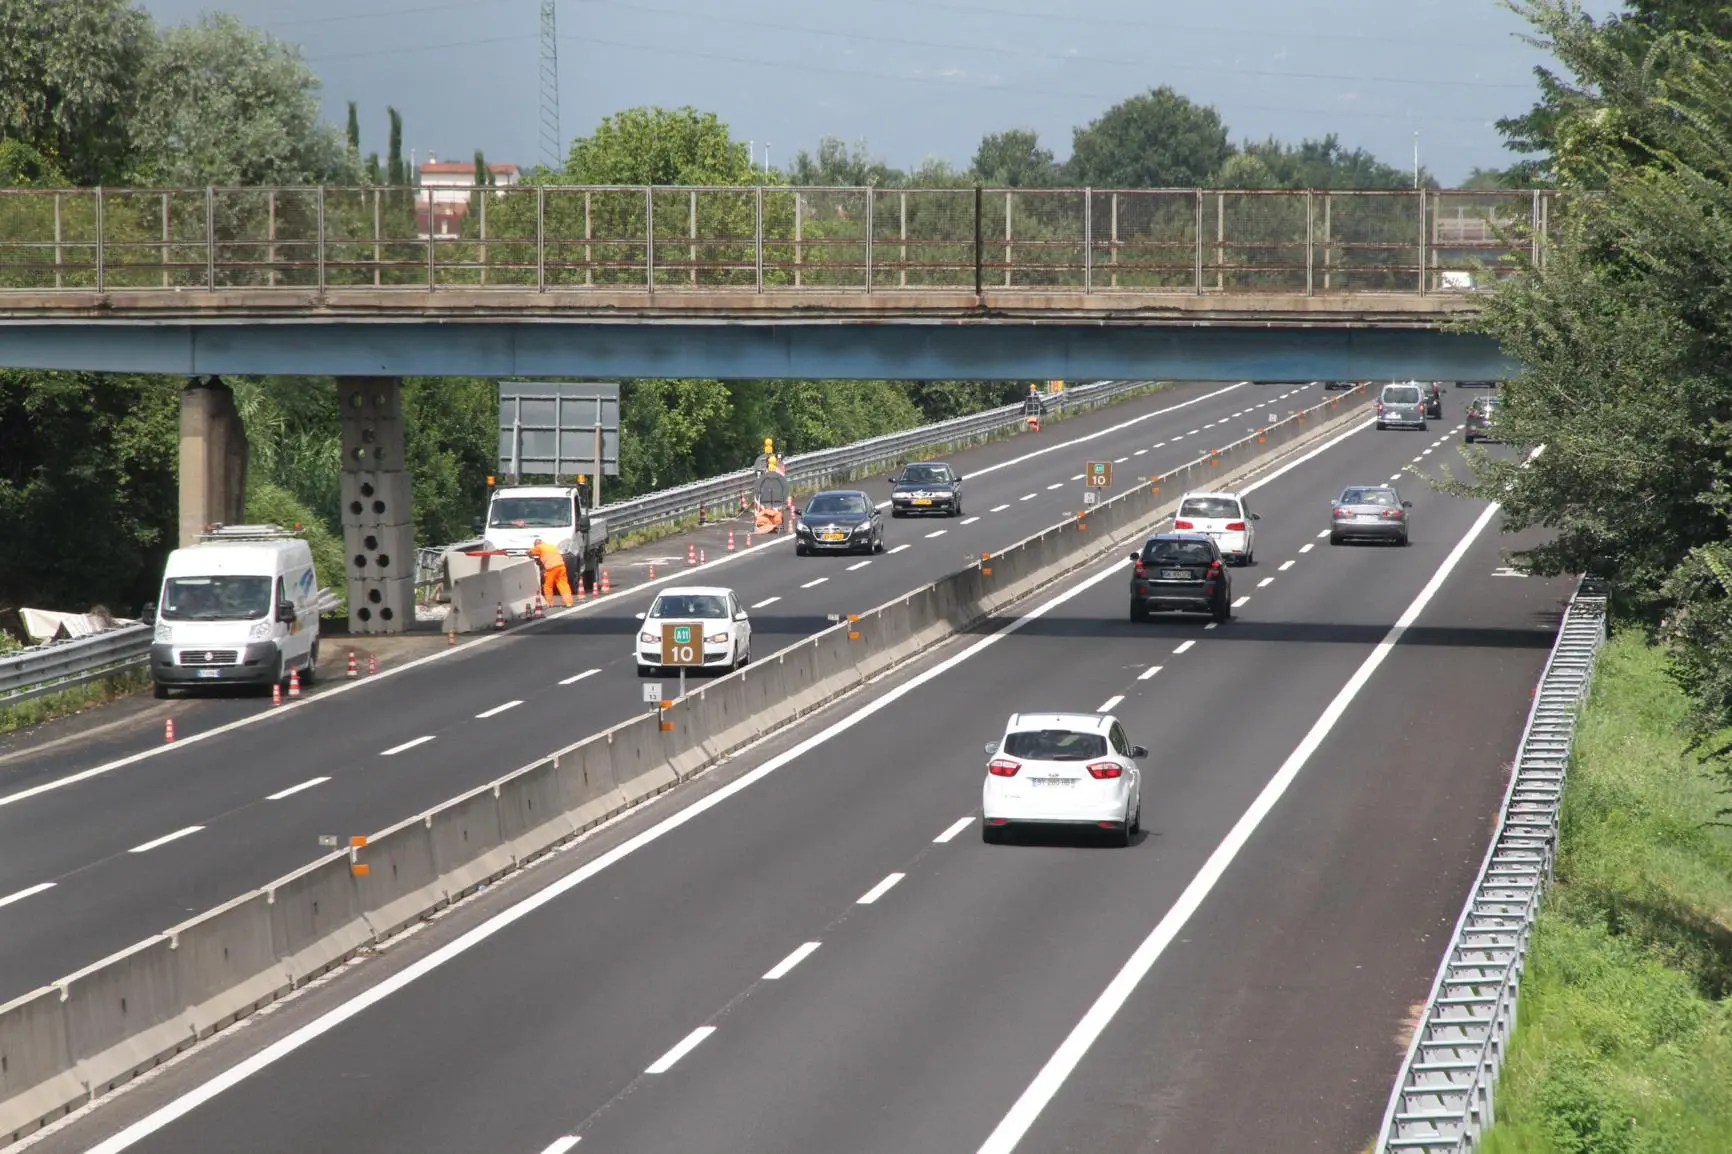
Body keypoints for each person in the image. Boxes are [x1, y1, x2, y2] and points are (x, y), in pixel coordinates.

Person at [530, 537, 574, 606]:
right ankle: (568, 602)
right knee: (563, 584)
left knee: (548, 586)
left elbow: (531, 552)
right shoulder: (551, 546)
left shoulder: (539, 547)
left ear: (536, 544)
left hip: (552, 568)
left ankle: (550, 603)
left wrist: (529, 555)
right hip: (561, 566)